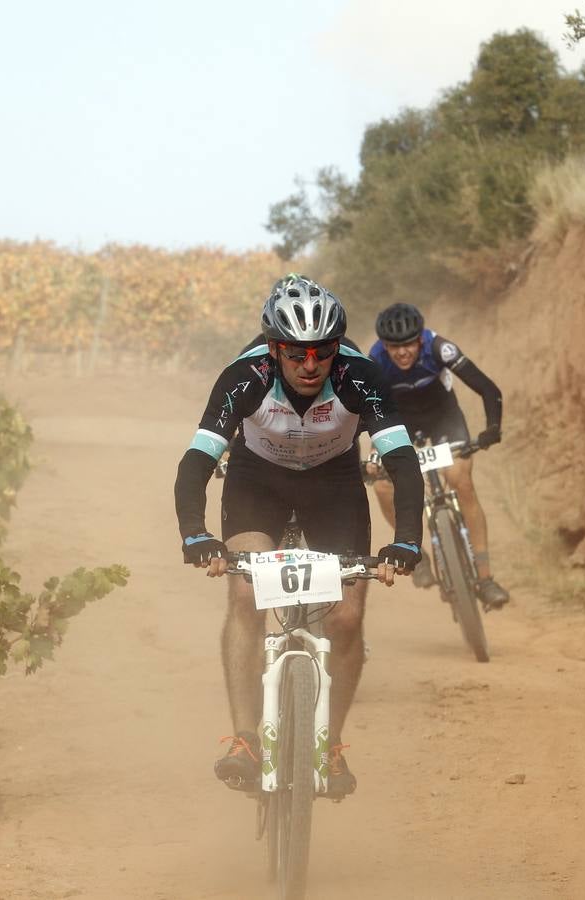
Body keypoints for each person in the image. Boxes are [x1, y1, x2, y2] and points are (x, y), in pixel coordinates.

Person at [174, 274, 425, 798]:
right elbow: (198, 460)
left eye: (322, 352)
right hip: (256, 481)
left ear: (337, 347)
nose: (310, 366)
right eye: (296, 354)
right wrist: (196, 534)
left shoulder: (360, 374)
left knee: (348, 616)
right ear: (273, 348)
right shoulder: (242, 376)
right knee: (245, 593)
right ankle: (245, 738)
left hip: (334, 484)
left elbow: (402, 462)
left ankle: (328, 744)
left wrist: (405, 541)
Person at [368, 302, 510, 608]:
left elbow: (487, 387)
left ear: (421, 339)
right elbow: (368, 411)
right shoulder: (375, 361)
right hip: (401, 423)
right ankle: (416, 556)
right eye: (395, 346)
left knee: (461, 480)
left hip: (443, 417)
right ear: (384, 345)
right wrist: (372, 454)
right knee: (382, 487)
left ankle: (485, 578)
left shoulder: (440, 348)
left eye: (409, 344)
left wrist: (492, 429)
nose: (403, 352)